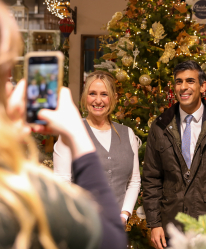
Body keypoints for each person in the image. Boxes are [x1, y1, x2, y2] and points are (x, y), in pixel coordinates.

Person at [0, 1, 126, 248]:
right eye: (7, 75)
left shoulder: (127, 134)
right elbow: (110, 241)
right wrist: (77, 134)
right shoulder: (19, 194)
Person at [142, 60, 206, 249]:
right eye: (179, 82)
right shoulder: (160, 127)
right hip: (172, 227)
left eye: (190, 81)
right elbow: (152, 178)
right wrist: (154, 223)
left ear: (203, 86)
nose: (184, 87)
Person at [53, 70, 141, 225]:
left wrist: (124, 215)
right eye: (92, 93)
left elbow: (134, 181)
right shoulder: (70, 132)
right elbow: (62, 182)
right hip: (81, 226)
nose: (98, 100)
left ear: (113, 98)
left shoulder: (128, 134)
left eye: (104, 94)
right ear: (85, 97)